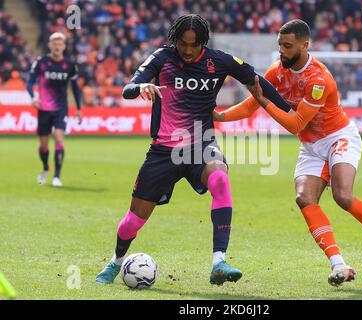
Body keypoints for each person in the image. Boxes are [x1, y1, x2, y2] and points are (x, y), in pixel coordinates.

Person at [214, 19, 362, 286]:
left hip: (338, 138)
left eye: (288, 46)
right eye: (280, 45)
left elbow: (296, 123)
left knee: (342, 196)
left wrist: (264, 101)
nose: (282, 51)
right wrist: (219, 116)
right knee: (304, 198)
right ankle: (339, 264)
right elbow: (251, 104)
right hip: (311, 146)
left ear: (304, 45)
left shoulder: (318, 79)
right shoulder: (277, 71)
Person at [95, 14, 291, 286]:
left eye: (194, 45)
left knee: (220, 178)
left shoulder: (218, 61)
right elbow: (128, 88)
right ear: (175, 40)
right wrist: (141, 86)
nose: (187, 50)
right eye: (182, 44)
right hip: (164, 151)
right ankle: (115, 262)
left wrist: (289, 109)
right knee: (133, 221)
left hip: (201, 146)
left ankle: (219, 262)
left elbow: (256, 80)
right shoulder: (162, 58)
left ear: (204, 42)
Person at [26, 32, 82, 187]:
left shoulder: (70, 65)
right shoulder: (41, 62)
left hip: (60, 109)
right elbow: (29, 82)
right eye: (54, 44)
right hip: (43, 108)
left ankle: (57, 176)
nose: (57, 46)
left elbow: (76, 88)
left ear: (64, 46)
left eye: (60, 44)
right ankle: (45, 168)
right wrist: (33, 97)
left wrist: (78, 108)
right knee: (43, 145)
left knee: (59, 139)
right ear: (50, 45)